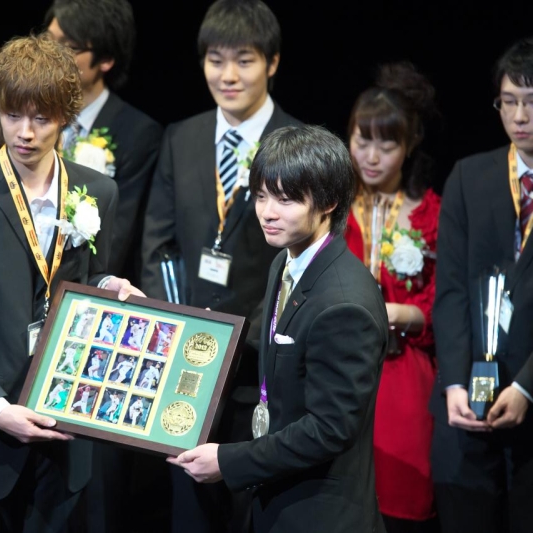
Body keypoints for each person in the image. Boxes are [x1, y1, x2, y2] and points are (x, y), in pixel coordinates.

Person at [0, 33, 142, 533]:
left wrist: (108, 288)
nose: (25, 133)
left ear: (66, 117)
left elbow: (80, 282)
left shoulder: (97, 192)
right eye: (13, 115)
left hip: (61, 446)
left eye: (42, 118)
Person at [169, 125, 389, 533]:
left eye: (286, 200)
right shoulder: (287, 261)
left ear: (328, 202)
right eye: (261, 196)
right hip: (278, 497)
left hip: (319, 514)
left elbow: (330, 429)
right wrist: (192, 339)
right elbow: (270, 352)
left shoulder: (344, 303)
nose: (268, 212)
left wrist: (229, 461)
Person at [140, 2, 302, 530]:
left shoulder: (299, 144)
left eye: (244, 60)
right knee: (190, 509)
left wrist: (242, 339)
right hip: (186, 367)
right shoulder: (181, 137)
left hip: (261, 363)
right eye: (215, 60)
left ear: (272, 63)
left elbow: (304, 260)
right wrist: (174, 328)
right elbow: (157, 245)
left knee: (253, 510)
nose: (228, 75)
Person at [432, 37, 533, 533]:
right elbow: (450, 287)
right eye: (508, 101)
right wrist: (453, 382)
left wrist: (527, 386)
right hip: (468, 402)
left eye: (531, 102)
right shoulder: (469, 176)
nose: (519, 116)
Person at [344, 62, 441, 533]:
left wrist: (402, 312)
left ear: (409, 145)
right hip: (339, 368)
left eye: (386, 145)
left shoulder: (431, 213)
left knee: (399, 508)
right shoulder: (330, 208)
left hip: (402, 375)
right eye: (362, 141)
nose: (371, 157)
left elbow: (446, 305)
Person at [44, 0, 163, 286]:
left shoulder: (137, 134)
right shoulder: (30, 119)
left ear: (106, 59)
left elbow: (116, 236)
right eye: (48, 41)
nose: (52, 55)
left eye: (68, 47)